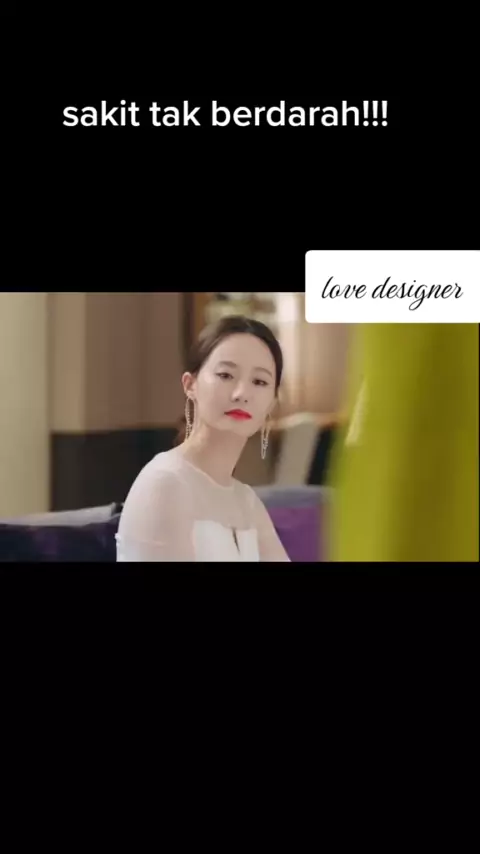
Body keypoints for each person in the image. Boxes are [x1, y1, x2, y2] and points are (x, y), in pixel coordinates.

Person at [116, 315, 290, 561]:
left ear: (272, 402)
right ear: (190, 384)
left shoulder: (247, 502)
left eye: (259, 381)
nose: (242, 393)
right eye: (226, 375)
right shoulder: (165, 483)